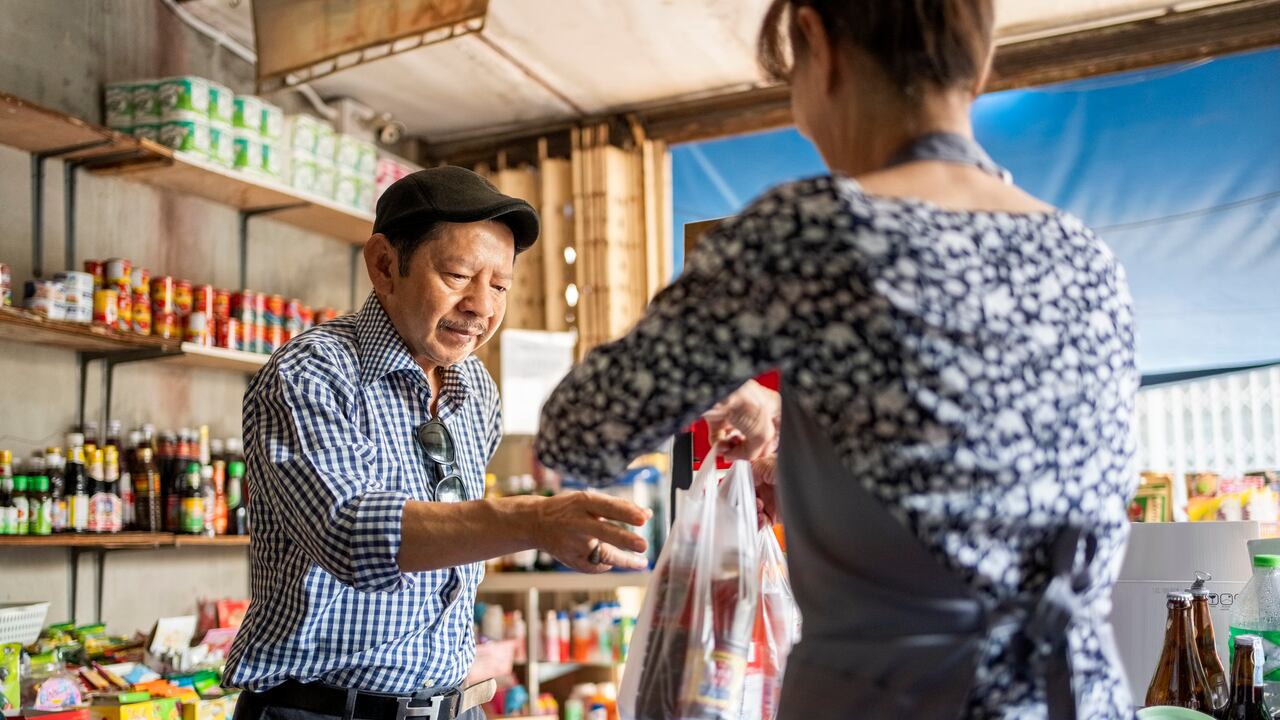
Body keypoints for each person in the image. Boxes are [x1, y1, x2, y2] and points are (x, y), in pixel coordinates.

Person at [535, 2, 1138, 718]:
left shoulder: (813, 230)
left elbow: (577, 432)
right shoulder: (1084, 256)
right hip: (1081, 696)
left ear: (817, 44)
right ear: (978, 64)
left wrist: (736, 398)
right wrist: (802, 438)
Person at [225, 166, 650, 720]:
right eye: (457, 275)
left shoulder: (475, 388)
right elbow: (350, 533)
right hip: (322, 711)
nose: (481, 306)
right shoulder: (311, 373)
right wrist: (533, 522)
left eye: (499, 286)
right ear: (384, 265)